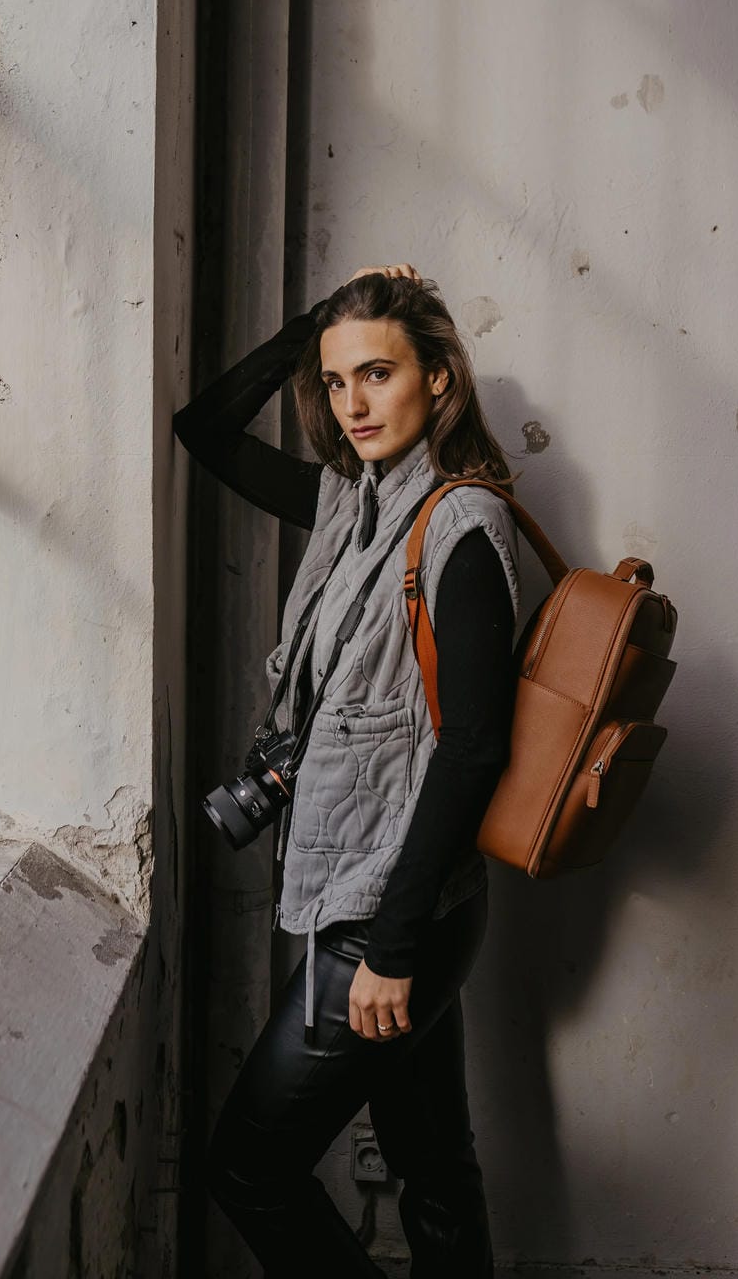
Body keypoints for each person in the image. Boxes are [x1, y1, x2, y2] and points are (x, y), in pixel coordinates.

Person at [172, 262, 522, 1278]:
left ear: (439, 382)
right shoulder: (349, 502)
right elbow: (205, 432)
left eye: (377, 372)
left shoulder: (461, 526)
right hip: (400, 900)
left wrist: (392, 948)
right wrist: (316, 324)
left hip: (394, 914)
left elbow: (471, 751)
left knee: (246, 1170)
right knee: (433, 1170)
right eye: (334, 382)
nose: (352, 403)